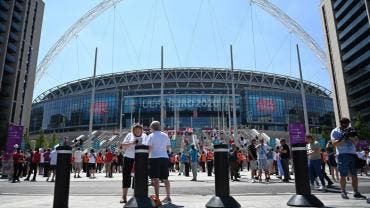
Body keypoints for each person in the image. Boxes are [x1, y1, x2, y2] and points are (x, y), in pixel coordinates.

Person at [331, 117, 366, 199]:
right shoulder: (335, 131)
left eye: (347, 124)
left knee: (354, 175)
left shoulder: (351, 130)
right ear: (341, 123)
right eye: (344, 124)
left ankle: (356, 192)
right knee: (343, 175)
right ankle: (343, 192)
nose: (346, 125)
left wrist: (350, 136)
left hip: (352, 154)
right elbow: (335, 144)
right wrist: (343, 137)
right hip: (342, 155)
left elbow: (356, 142)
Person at [120, 123, 147, 204]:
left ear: (142, 130)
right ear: (133, 130)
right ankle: (124, 196)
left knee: (138, 177)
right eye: (136, 130)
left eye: (139, 130)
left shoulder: (145, 136)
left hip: (140, 158)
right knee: (126, 176)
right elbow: (123, 146)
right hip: (128, 157)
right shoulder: (129, 135)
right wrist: (132, 143)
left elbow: (148, 146)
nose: (138, 132)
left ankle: (136, 195)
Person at [147, 121, 172, 204]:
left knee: (155, 179)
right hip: (164, 157)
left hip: (154, 157)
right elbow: (168, 147)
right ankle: (168, 197)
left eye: (150, 127)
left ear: (152, 127)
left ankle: (157, 197)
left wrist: (146, 156)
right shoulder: (165, 135)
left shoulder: (151, 136)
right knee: (165, 178)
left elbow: (149, 148)